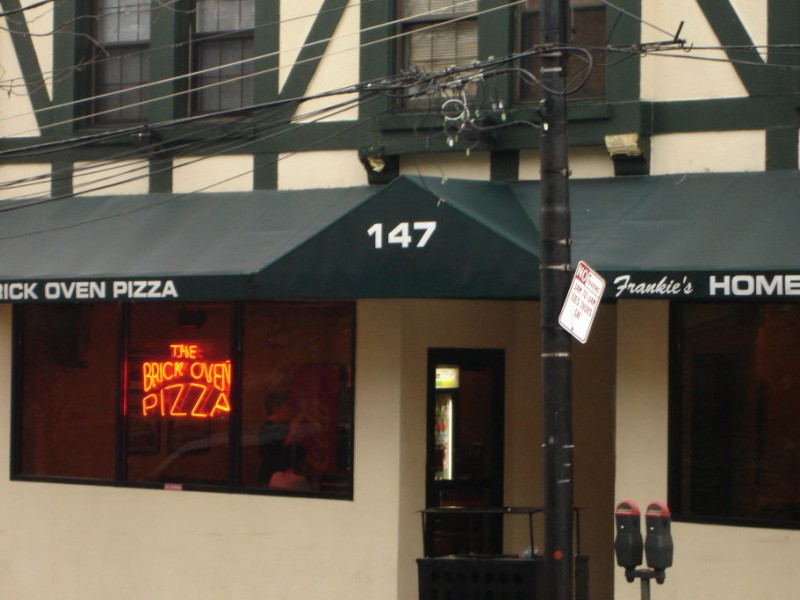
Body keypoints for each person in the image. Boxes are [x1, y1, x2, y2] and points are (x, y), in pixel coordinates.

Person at [258, 392, 311, 491]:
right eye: (287, 405)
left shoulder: (283, 427)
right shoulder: (268, 428)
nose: (290, 409)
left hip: (285, 478)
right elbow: (274, 454)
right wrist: (292, 434)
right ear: (276, 408)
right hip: (273, 478)